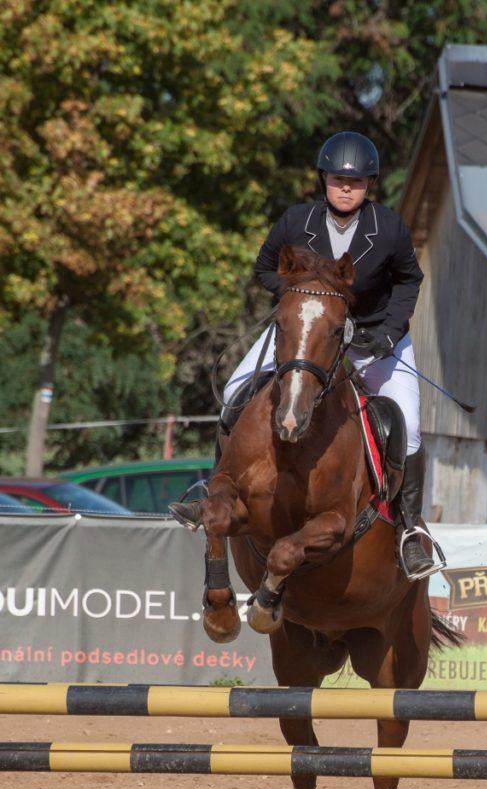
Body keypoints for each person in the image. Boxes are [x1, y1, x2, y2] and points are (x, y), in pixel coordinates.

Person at [171, 130, 439, 579]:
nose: (346, 188)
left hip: (372, 336)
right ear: (324, 180)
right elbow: (264, 267)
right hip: (305, 332)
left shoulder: (389, 227)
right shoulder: (297, 221)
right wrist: (299, 298)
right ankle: (214, 490)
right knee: (235, 390)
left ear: (369, 184)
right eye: (338, 180)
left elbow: (409, 280)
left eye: (356, 182)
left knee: (408, 426)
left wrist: (390, 333)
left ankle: (409, 528)